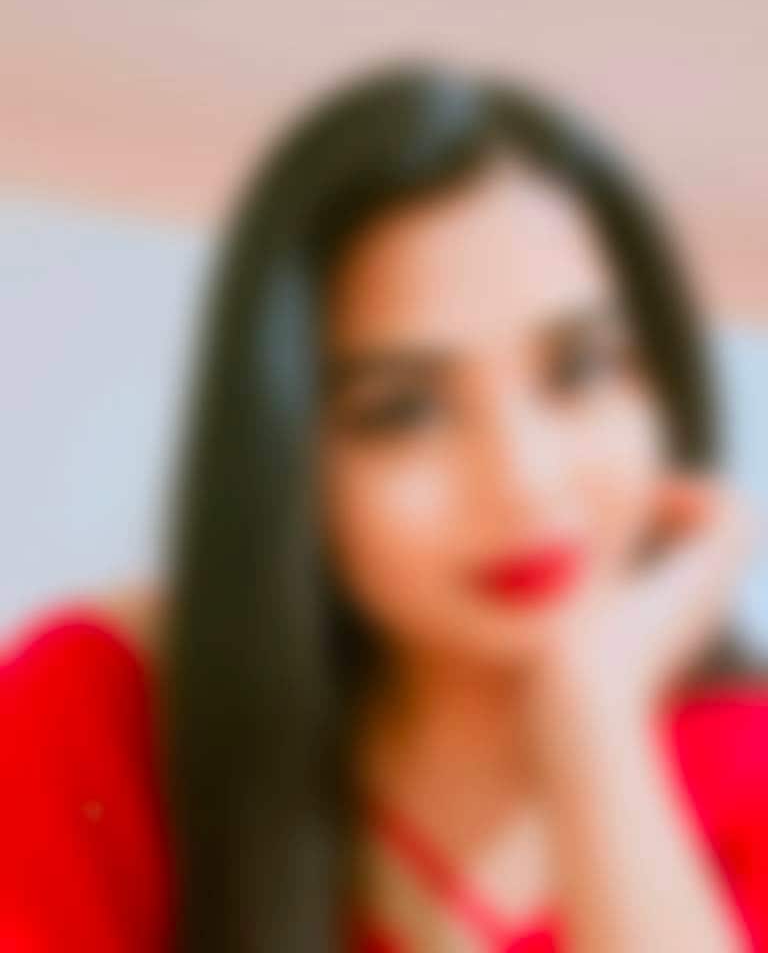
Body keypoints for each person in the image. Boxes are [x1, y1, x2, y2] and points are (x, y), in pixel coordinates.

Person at [2, 59, 767, 953]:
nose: (522, 480)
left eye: (579, 370)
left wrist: (591, 720)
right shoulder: (103, 715)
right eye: (405, 411)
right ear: (285, 449)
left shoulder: (746, 777)